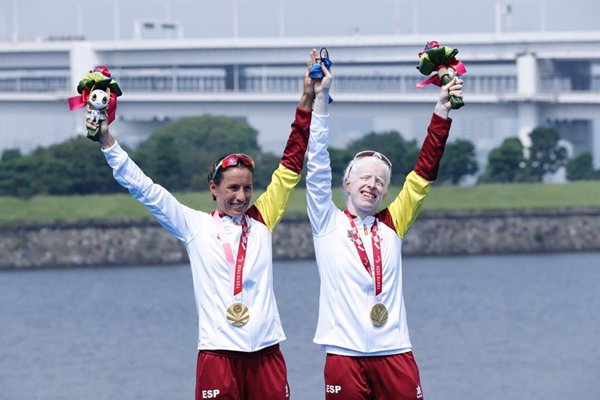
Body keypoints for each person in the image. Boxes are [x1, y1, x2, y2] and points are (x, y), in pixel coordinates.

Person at [86, 52, 317, 400]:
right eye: (233, 188)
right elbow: (145, 189)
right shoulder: (194, 226)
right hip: (217, 354)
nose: (242, 196)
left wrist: (306, 102)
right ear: (214, 189)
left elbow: (290, 165)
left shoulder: (264, 217)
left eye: (247, 188)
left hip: (267, 352)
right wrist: (107, 142)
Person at [305, 49, 463, 399]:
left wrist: (441, 112)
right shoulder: (326, 222)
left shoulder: (394, 221)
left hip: (394, 350)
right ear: (346, 184)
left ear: (385, 191)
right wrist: (321, 102)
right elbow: (316, 165)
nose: (372, 184)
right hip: (343, 354)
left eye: (380, 181)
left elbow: (423, 173)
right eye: (364, 177)